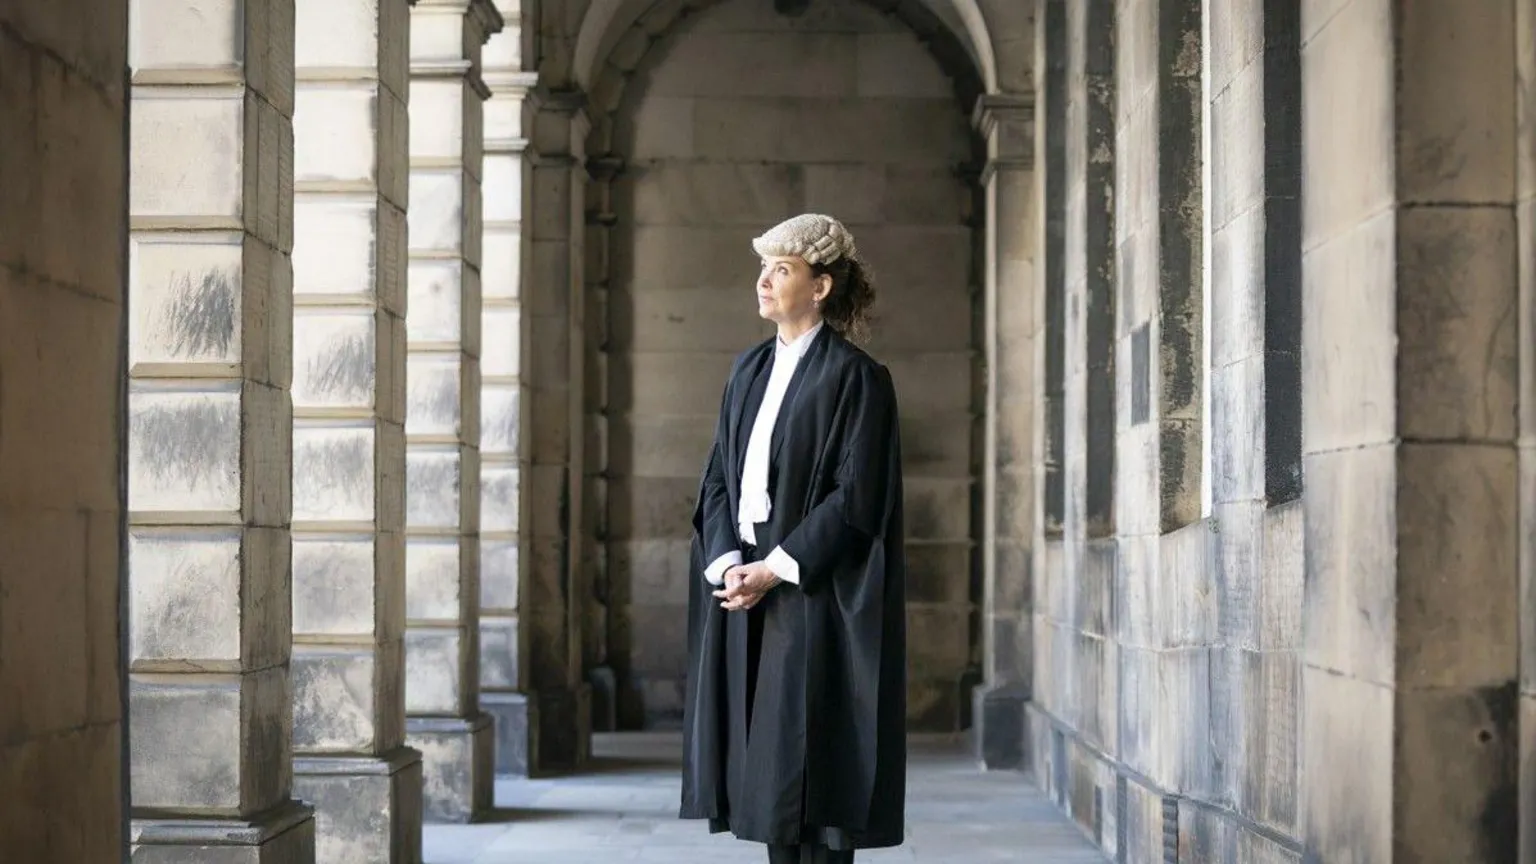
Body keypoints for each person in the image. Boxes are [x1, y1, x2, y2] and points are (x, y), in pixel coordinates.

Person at [679, 213, 908, 864]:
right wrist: (727, 562)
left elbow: (857, 498)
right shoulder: (746, 369)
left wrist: (775, 570)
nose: (764, 281)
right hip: (744, 585)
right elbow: (718, 475)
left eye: (782, 270)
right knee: (764, 779)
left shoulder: (858, 378)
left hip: (809, 593)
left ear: (821, 287)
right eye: (763, 268)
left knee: (812, 780)